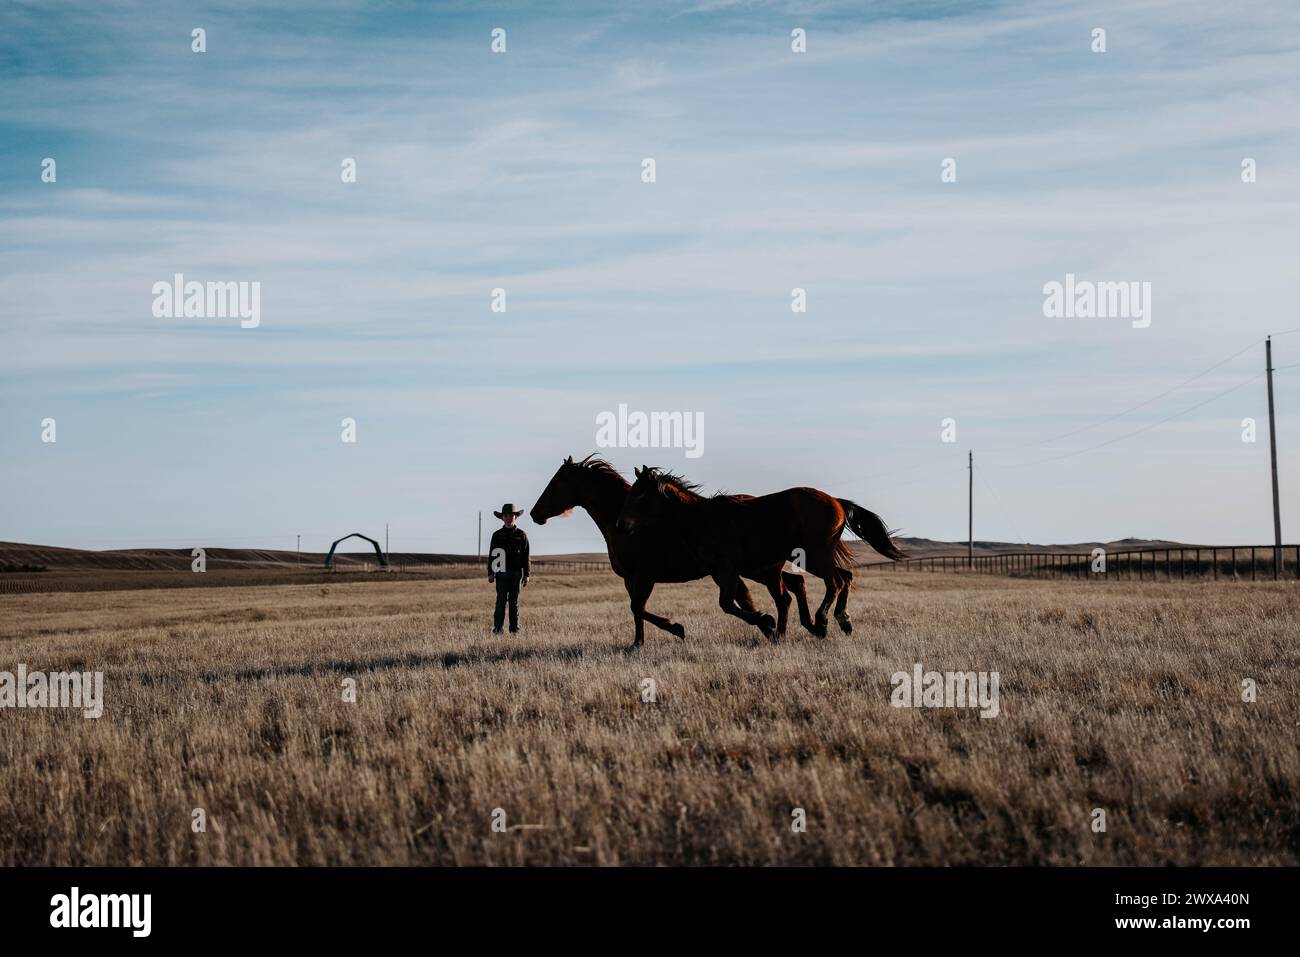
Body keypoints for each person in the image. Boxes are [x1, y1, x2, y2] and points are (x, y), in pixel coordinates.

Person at [487, 503, 530, 634]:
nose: (508, 518)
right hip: (501, 573)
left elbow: (526, 556)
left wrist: (526, 574)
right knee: (500, 602)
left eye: (511, 515)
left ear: (516, 517)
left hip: (516, 573)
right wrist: (490, 572)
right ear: (502, 518)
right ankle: (498, 629)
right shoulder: (497, 535)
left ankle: (514, 630)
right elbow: (492, 554)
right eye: (506, 515)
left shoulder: (522, 535)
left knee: (514, 602)